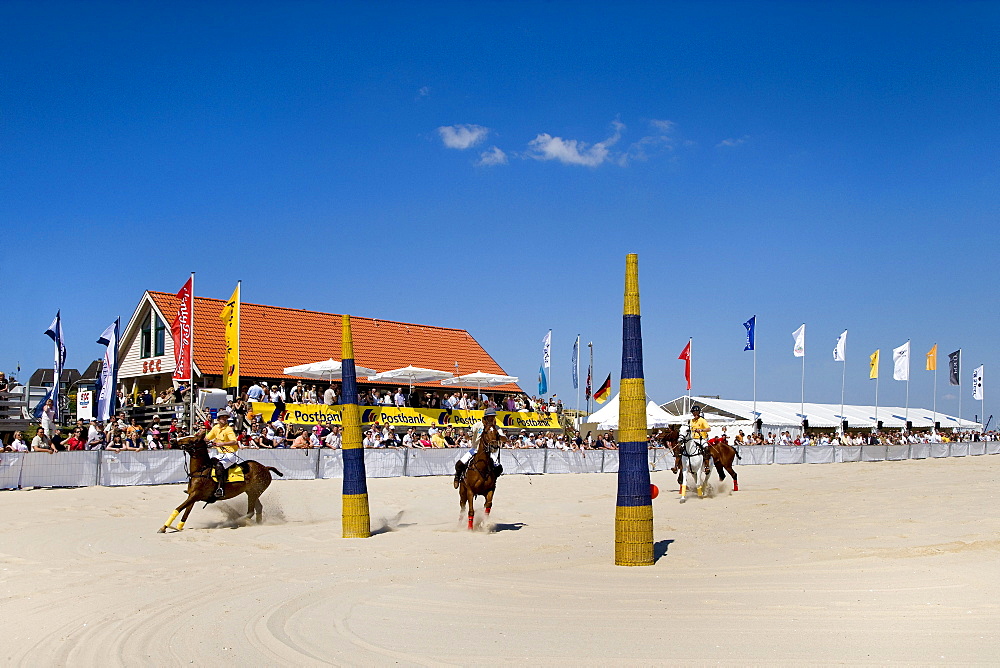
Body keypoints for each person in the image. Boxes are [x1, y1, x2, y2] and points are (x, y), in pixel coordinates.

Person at [453, 407, 505, 488]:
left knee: (499, 468)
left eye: (493, 416)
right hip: (475, 449)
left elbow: (504, 437)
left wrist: (500, 436)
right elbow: (468, 435)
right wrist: (468, 435)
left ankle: (492, 480)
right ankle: (457, 478)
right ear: (486, 417)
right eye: (490, 416)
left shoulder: (496, 427)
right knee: (459, 464)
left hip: (489, 451)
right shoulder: (477, 425)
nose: (492, 418)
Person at [205, 413, 239, 497]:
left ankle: (220, 488)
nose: (224, 419)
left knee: (219, 465)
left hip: (230, 454)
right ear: (218, 419)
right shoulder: (215, 428)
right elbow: (206, 438)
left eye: (226, 417)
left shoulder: (228, 429)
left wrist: (222, 444)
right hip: (220, 454)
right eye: (222, 417)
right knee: (208, 462)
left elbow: (234, 441)